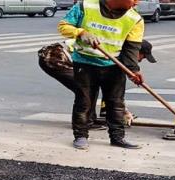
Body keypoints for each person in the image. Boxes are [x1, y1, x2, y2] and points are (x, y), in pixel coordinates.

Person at [57, 0, 145, 150]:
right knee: (84, 101)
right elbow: (63, 26)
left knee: (116, 103)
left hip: (114, 65)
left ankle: (117, 137)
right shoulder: (86, 6)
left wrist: (133, 71)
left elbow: (131, 49)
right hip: (85, 62)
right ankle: (80, 136)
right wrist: (81, 32)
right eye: (133, 0)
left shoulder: (135, 19)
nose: (136, 3)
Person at [38, 39, 156, 128]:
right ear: (136, 51)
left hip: (61, 56)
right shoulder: (117, 53)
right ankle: (84, 123)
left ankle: (89, 119)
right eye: (142, 57)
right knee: (85, 89)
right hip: (54, 57)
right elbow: (113, 88)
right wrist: (124, 112)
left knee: (90, 86)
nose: (140, 60)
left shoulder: (120, 51)